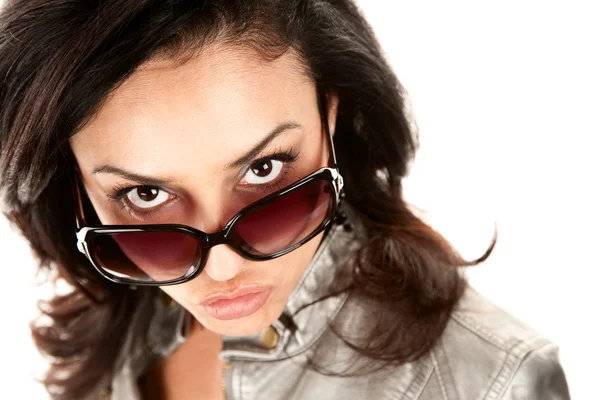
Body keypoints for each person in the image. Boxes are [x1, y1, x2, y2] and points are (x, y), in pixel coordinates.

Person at [0, 1, 570, 399]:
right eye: (145, 195)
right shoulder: (117, 323)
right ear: (74, 182)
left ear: (331, 111)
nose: (223, 267)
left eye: (263, 169)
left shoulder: (491, 379)